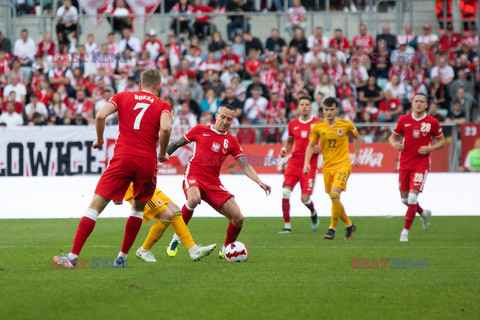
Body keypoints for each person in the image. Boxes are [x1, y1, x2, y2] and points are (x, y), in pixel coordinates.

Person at [52, 69, 173, 268]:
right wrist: (161, 154)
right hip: (147, 161)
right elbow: (166, 128)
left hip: (123, 157)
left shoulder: (122, 96)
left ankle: (73, 258)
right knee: (137, 210)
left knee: (96, 206)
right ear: (159, 87)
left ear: (140, 85)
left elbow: (100, 116)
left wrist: (99, 140)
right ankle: (121, 259)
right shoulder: (163, 105)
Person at [165, 104, 271, 259]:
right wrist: (159, 158)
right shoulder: (200, 129)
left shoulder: (231, 141)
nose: (225, 121)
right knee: (194, 199)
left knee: (238, 218)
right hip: (194, 174)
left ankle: (226, 250)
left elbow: (244, 165)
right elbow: (176, 144)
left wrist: (259, 181)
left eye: (229, 119)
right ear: (216, 116)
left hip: (213, 182)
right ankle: (176, 239)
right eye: (223, 117)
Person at [388, 93, 446, 242]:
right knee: (405, 200)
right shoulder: (403, 119)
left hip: (421, 164)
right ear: (412, 104)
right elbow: (392, 136)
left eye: (422, 101)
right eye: (416, 101)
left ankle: (405, 232)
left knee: (413, 197)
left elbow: (442, 141)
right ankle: (423, 214)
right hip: (405, 163)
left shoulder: (432, 122)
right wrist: (395, 144)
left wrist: (430, 148)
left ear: (426, 105)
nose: (419, 103)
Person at [304, 97, 361, 240]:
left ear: (337, 109)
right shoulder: (318, 126)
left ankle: (332, 229)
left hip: (343, 164)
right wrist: (307, 163)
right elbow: (311, 145)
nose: (329, 112)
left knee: (335, 195)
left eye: (332, 109)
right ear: (323, 110)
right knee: (334, 199)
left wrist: (358, 156)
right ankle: (349, 224)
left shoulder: (346, 124)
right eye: (326, 109)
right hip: (327, 167)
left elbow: (357, 137)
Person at [121, 183, 216, 262]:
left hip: (147, 183)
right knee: (167, 216)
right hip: (135, 187)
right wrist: (115, 191)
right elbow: (120, 167)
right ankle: (144, 250)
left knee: (175, 210)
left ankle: (193, 249)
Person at [278, 97, 320, 234]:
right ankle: (287, 226)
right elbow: (290, 142)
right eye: (302, 104)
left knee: (304, 199)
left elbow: (326, 141)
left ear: (311, 107)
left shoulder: (317, 124)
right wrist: (285, 149)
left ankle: (313, 213)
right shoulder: (293, 124)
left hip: (310, 164)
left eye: (307, 104)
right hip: (294, 162)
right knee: (285, 192)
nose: (305, 107)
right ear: (298, 107)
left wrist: (322, 148)